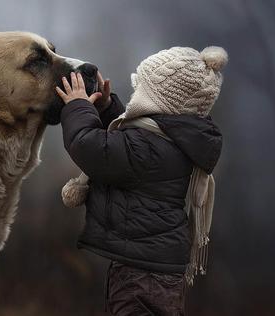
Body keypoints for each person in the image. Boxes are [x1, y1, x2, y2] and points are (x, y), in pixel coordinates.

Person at [55, 46, 227, 315]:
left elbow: (89, 147)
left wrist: (78, 106)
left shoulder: (147, 147)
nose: (136, 95)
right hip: (157, 268)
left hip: (140, 274)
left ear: (158, 101)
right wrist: (107, 109)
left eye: (142, 89)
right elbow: (125, 149)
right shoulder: (170, 139)